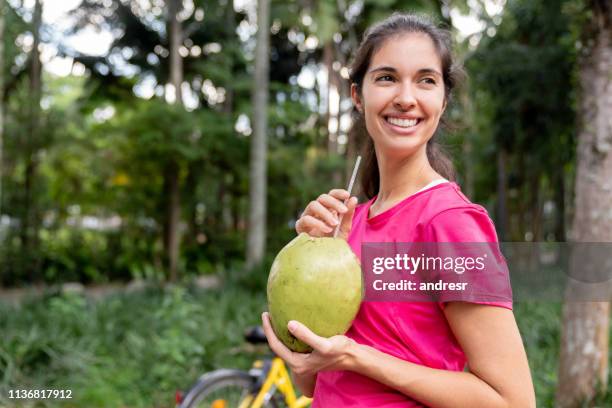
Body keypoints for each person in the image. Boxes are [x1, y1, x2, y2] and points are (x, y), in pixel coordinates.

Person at [261, 12, 535, 408]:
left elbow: (513, 401)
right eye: (387, 77)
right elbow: (317, 383)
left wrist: (361, 357)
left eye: (426, 80)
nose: (406, 97)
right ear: (357, 95)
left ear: (443, 100)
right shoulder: (350, 225)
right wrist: (310, 265)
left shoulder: (449, 222)